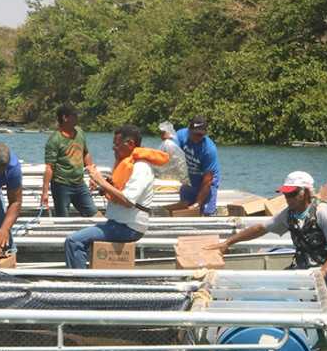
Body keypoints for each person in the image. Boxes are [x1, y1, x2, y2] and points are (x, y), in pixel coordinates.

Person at [206, 170, 327, 290]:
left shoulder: (322, 212)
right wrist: (228, 243)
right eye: (285, 194)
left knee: (293, 288)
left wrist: (323, 272)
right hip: (306, 268)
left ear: (305, 193)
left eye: (291, 194)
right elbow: (260, 229)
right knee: (276, 283)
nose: (286, 198)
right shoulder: (289, 213)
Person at [64, 125, 168, 268]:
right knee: (80, 238)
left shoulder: (141, 167)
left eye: (117, 144)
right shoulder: (129, 165)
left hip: (128, 227)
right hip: (117, 223)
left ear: (130, 144)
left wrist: (100, 180)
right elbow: (121, 194)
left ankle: (79, 284)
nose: (113, 148)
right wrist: (105, 188)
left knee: (74, 241)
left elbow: (128, 201)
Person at [41, 102, 98, 217]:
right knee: (63, 219)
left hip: (80, 184)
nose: (77, 118)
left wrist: (93, 176)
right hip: (62, 185)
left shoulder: (79, 132)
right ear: (65, 118)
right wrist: (45, 192)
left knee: (94, 215)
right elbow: (49, 168)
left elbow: (85, 153)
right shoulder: (54, 140)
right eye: (74, 115)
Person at [161, 116, 219, 216]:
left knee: (203, 213)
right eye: (194, 134)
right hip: (189, 179)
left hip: (206, 181)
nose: (196, 137)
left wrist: (197, 204)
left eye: (200, 135)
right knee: (185, 211)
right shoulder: (181, 135)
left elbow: (207, 181)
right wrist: (167, 140)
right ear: (189, 129)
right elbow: (171, 151)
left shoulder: (209, 149)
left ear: (206, 132)